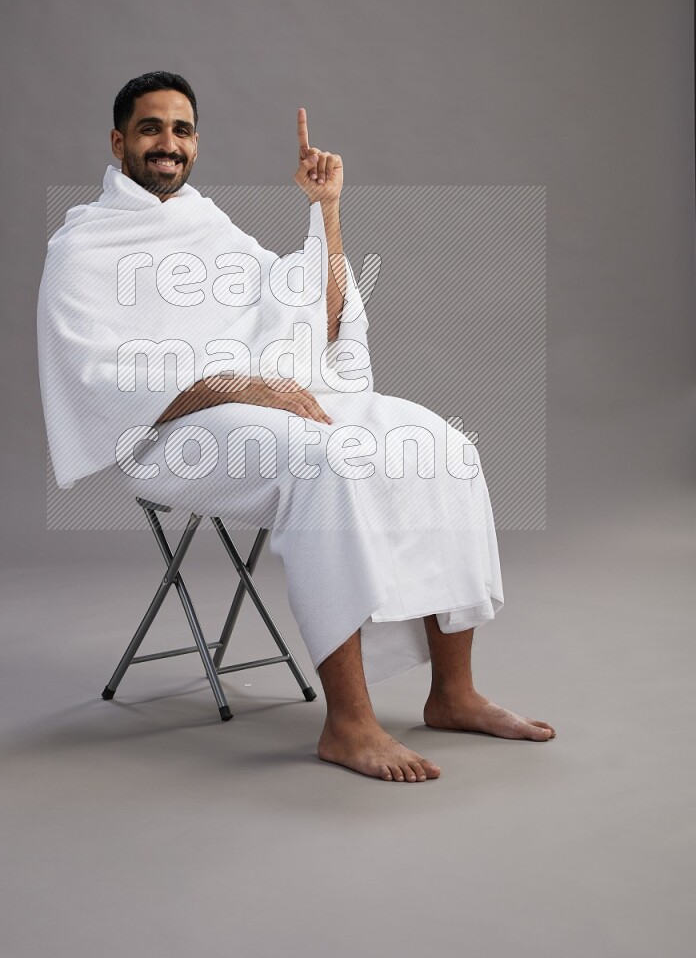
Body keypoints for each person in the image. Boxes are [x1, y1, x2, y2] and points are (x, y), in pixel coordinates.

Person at [38, 70, 556, 783]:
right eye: (150, 128)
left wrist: (327, 209)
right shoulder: (83, 247)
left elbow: (321, 318)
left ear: (196, 142)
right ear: (117, 141)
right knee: (326, 463)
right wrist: (240, 384)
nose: (167, 143)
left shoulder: (209, 228)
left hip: (266, 400)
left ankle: (453, 693)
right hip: (167, 431)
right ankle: (349, 723)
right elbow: (99, 373)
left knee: (444, 447)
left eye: (182, 129)